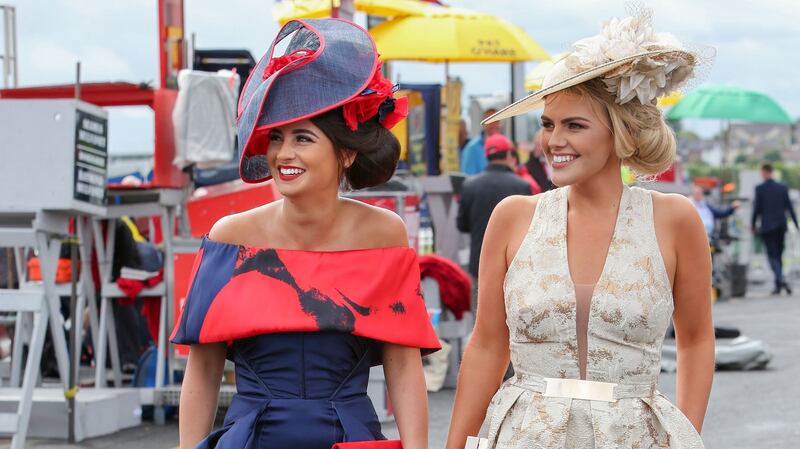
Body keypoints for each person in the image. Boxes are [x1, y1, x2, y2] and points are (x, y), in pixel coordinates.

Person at [446, 12, 713, 449]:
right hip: (522, 436)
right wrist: (454, 445)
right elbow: (487, 346)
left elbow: (698, 338)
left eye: (574, 125)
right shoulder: (513, 216)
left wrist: (685, 435)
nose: (553, 141)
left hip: (636, 438)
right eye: (548, 124)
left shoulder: (675, 219)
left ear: (621, 133)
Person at [172, 19, 439, 449]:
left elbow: (403, 366)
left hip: (349, 437)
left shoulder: (384, 233)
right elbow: (202, 370)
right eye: (276, 137)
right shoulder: (229, 236)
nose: (284, 154)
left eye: (302, 138)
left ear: (346, 152)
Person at [457, 133, 532, 310]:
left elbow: (462, 225)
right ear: (508, 155)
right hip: (515, 264)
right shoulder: (521, 186)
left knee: (482, 316)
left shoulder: (469, 185)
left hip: (480, 263)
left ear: (487, 156)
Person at [752, 163, 799, 295]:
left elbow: (757, 209)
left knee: (772, 255)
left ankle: (780, 278)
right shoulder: (782, 187)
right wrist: (796, 224)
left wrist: (753, 224)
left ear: (764, 172)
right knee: (779, 254)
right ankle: (779, 284)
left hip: (767, 226)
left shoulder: (760, 189)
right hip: (781, 225)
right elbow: (790, 207)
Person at [460, 108, 501, 175]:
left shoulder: (506, 145)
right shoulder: (472, 148)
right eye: (490, 121)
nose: (494, 125)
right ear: (483, 123)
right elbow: (467, 178)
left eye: (497, 121)